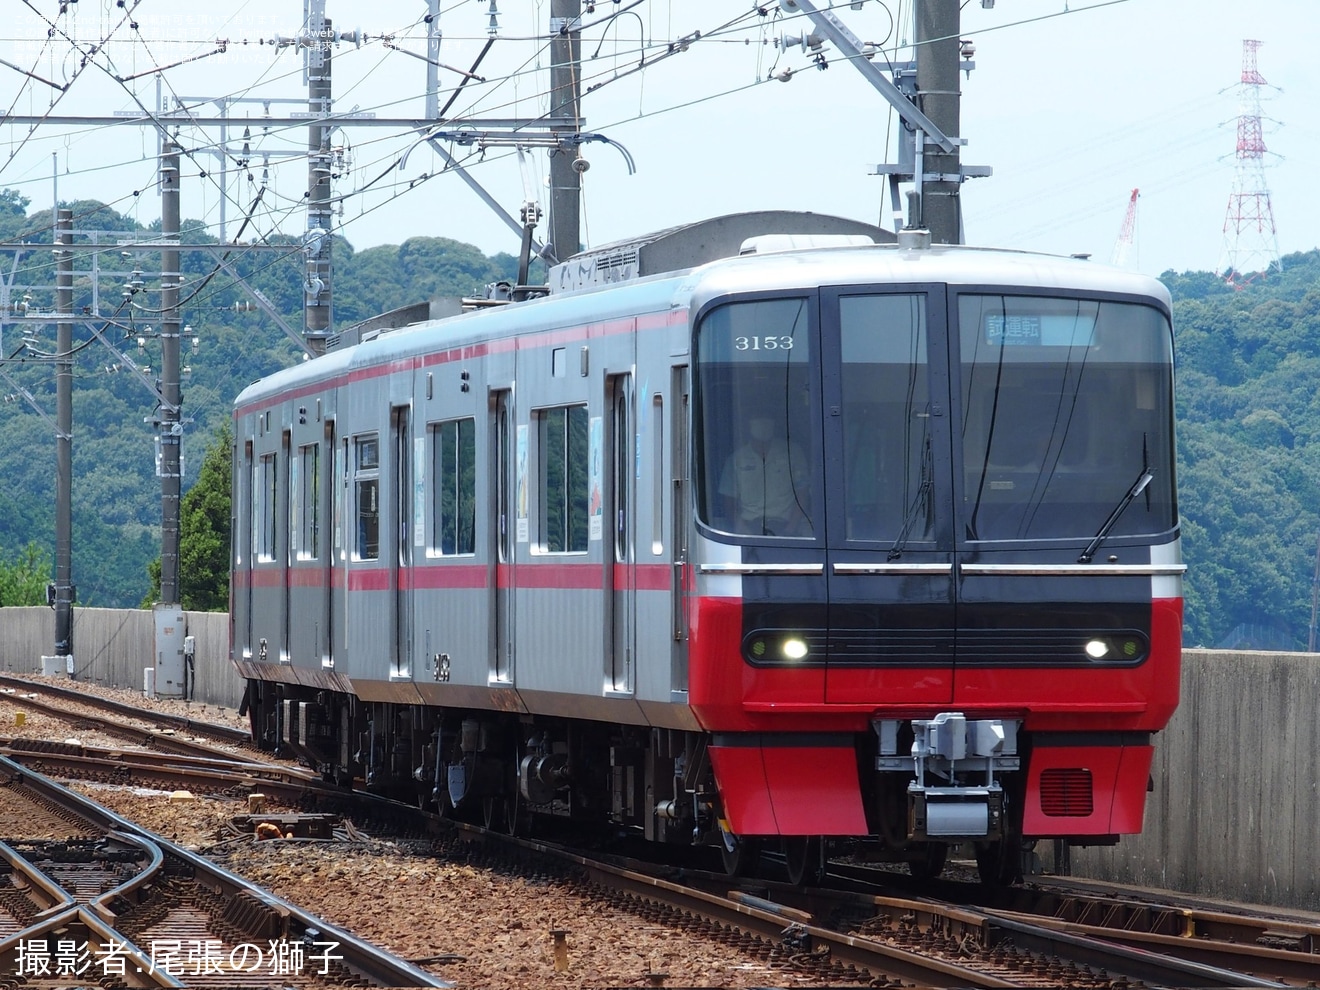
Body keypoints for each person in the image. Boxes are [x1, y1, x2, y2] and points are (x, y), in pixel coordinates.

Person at [719, 416, 813, 536]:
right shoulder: (736, 459)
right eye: (757, 418)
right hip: (749, 528)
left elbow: (803, 493)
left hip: (786, 528)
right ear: (748, 424)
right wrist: (742, 529)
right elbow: (728, 500)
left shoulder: (792, 453)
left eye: (767, 418)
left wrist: (790, 530)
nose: (762, 423)